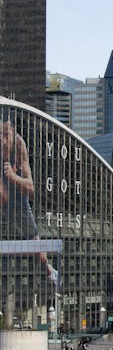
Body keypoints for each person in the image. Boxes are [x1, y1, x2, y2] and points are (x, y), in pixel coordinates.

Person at [0, 119, 58, 282]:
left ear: (13, 131)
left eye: (6, 135)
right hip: (4, 198)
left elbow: (31, 188)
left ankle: (50, 272)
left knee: (37, 247)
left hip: (19, 200)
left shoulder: (19, 145)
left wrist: (13, 177)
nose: (3, 140)